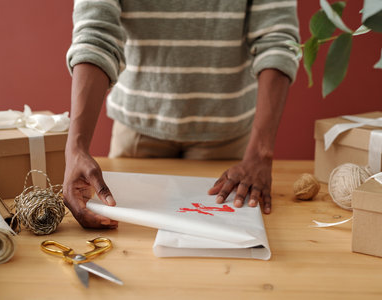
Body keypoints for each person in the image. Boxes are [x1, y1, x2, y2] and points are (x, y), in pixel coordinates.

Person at [63, 0, 300, 228]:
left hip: (230, 138)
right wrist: (76, 148)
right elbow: (95, 34)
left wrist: (260, 152)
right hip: (138, 133)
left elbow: (277, 41)